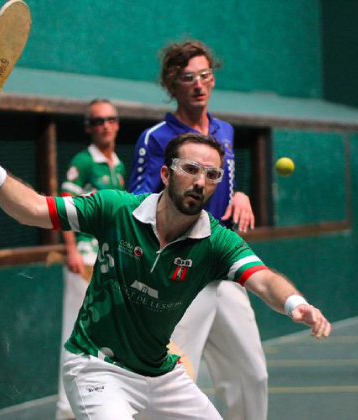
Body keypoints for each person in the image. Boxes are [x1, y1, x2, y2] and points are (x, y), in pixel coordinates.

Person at [0, 127, 331, 420]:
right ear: (166, 173)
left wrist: (294, 303)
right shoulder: (117, 209)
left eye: (212, 174)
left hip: (160, 375)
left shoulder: (217, 241)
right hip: (97, 367)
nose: (200, 181)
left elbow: (262, 278)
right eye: (191, 169)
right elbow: (33, 209)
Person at [129, 40, 265, 420]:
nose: (199, 84)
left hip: (222, 263)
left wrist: (239, 194)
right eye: (188, 78)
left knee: (252, 374)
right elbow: (138, 206)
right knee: (174, 378)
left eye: (205, 75)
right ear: (172, 84)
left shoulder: (225, 132)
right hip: (178, 272)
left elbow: (219, 186)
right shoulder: (155, 138)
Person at [56, 99, 125, 420]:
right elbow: (63, 206)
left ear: (117, 124)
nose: (105, 125)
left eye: (110, 119)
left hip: (107, 263)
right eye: (98, 121)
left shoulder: (118, 165)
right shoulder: (82, 162)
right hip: (82, 260)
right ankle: (66, 410)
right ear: (89, 127)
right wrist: (71, 250)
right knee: (74, 333)